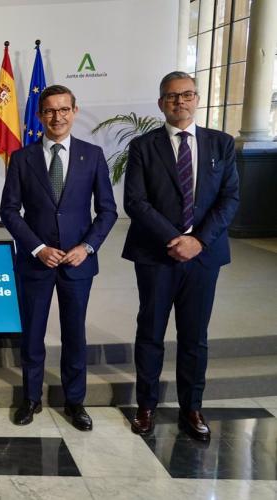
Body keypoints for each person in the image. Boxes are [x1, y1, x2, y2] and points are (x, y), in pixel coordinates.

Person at [123, 71, 239, 440]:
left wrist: (198, 241)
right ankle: (146, 406)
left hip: (203, 257)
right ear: (161, 103)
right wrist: (175, 239)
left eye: (187, 95)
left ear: (197, 99)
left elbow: (229, 199)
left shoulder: (221, 144)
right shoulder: (143, 146)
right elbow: (135, 202)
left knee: (194, 336)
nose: (180, 102)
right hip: (156, 255)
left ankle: (192, 407)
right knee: (150, 332)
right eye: (172, 96)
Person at [0, 85, 117, 430]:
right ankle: (31, 398)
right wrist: (37, 248)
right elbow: (9, 211)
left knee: (74, 335)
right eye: (50, 111)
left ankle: (75, 401)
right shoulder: (22, 158)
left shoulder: (92, 155)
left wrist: (87, 247)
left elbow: (107, 211)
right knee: (33, 335)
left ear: (74, 112)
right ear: (40, 116)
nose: (57, 117)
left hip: (78, 263)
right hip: (36, 263)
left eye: (64, 109)